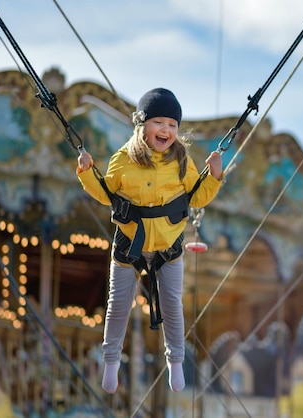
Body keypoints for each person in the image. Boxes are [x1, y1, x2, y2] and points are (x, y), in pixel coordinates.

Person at [76, 87, 223, 394]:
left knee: (172, 305)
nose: (166, 130)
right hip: (129, 245)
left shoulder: (182, 162)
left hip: (168, 248)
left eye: (172, 125)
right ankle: (111, 361)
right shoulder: (123, 160)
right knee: (118, 305)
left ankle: (176, 361)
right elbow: (106, 193)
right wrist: (88, 172)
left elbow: (198, 197)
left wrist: (214, 176)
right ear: (141, 125)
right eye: (159, 123)